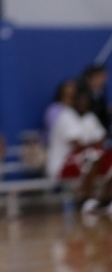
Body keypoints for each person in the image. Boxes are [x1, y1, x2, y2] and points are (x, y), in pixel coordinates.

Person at [47, 82, 112, 212]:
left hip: (84, 160)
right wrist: (93, 143)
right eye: (80, 100)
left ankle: (106, 199)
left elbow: (102, 140)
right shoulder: (65, 116)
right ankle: (84, 199)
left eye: (86, 100)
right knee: (92, 156)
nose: (83, 103)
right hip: (62, 164)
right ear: (73, 101)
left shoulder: (90, 117)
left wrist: (91, 144)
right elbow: (77, 145)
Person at [80, 64, 110, 133]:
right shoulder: (82, 94)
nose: (104, 80)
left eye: (105, 77)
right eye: (101, 76)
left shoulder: (100, 93)